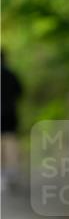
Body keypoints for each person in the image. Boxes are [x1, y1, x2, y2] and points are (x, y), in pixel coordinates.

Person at [1, 49, 23, 193]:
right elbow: (20, 92)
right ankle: (12, 172)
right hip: (10, 113)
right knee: (11, 141)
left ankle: (3, 174)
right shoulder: (11, 74)